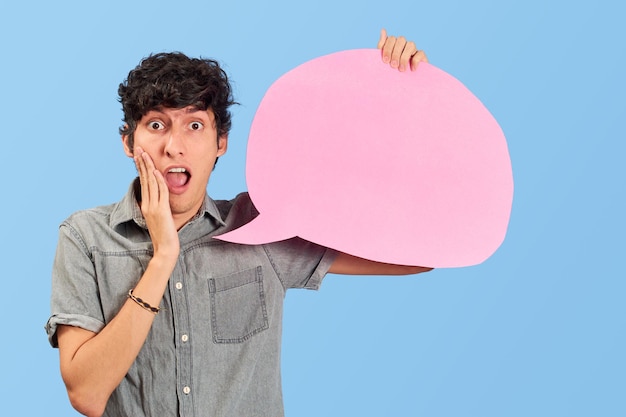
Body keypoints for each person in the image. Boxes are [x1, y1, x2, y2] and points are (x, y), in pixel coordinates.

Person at [46, 29, 432, 417]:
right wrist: (163, 256)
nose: (174, 146)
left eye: (194, 126)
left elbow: (420, 254)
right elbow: (87, 395)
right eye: (156, 125)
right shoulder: (85, 238)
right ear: (129, 143)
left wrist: (408, 97)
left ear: (221, 142)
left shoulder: (260, 227)